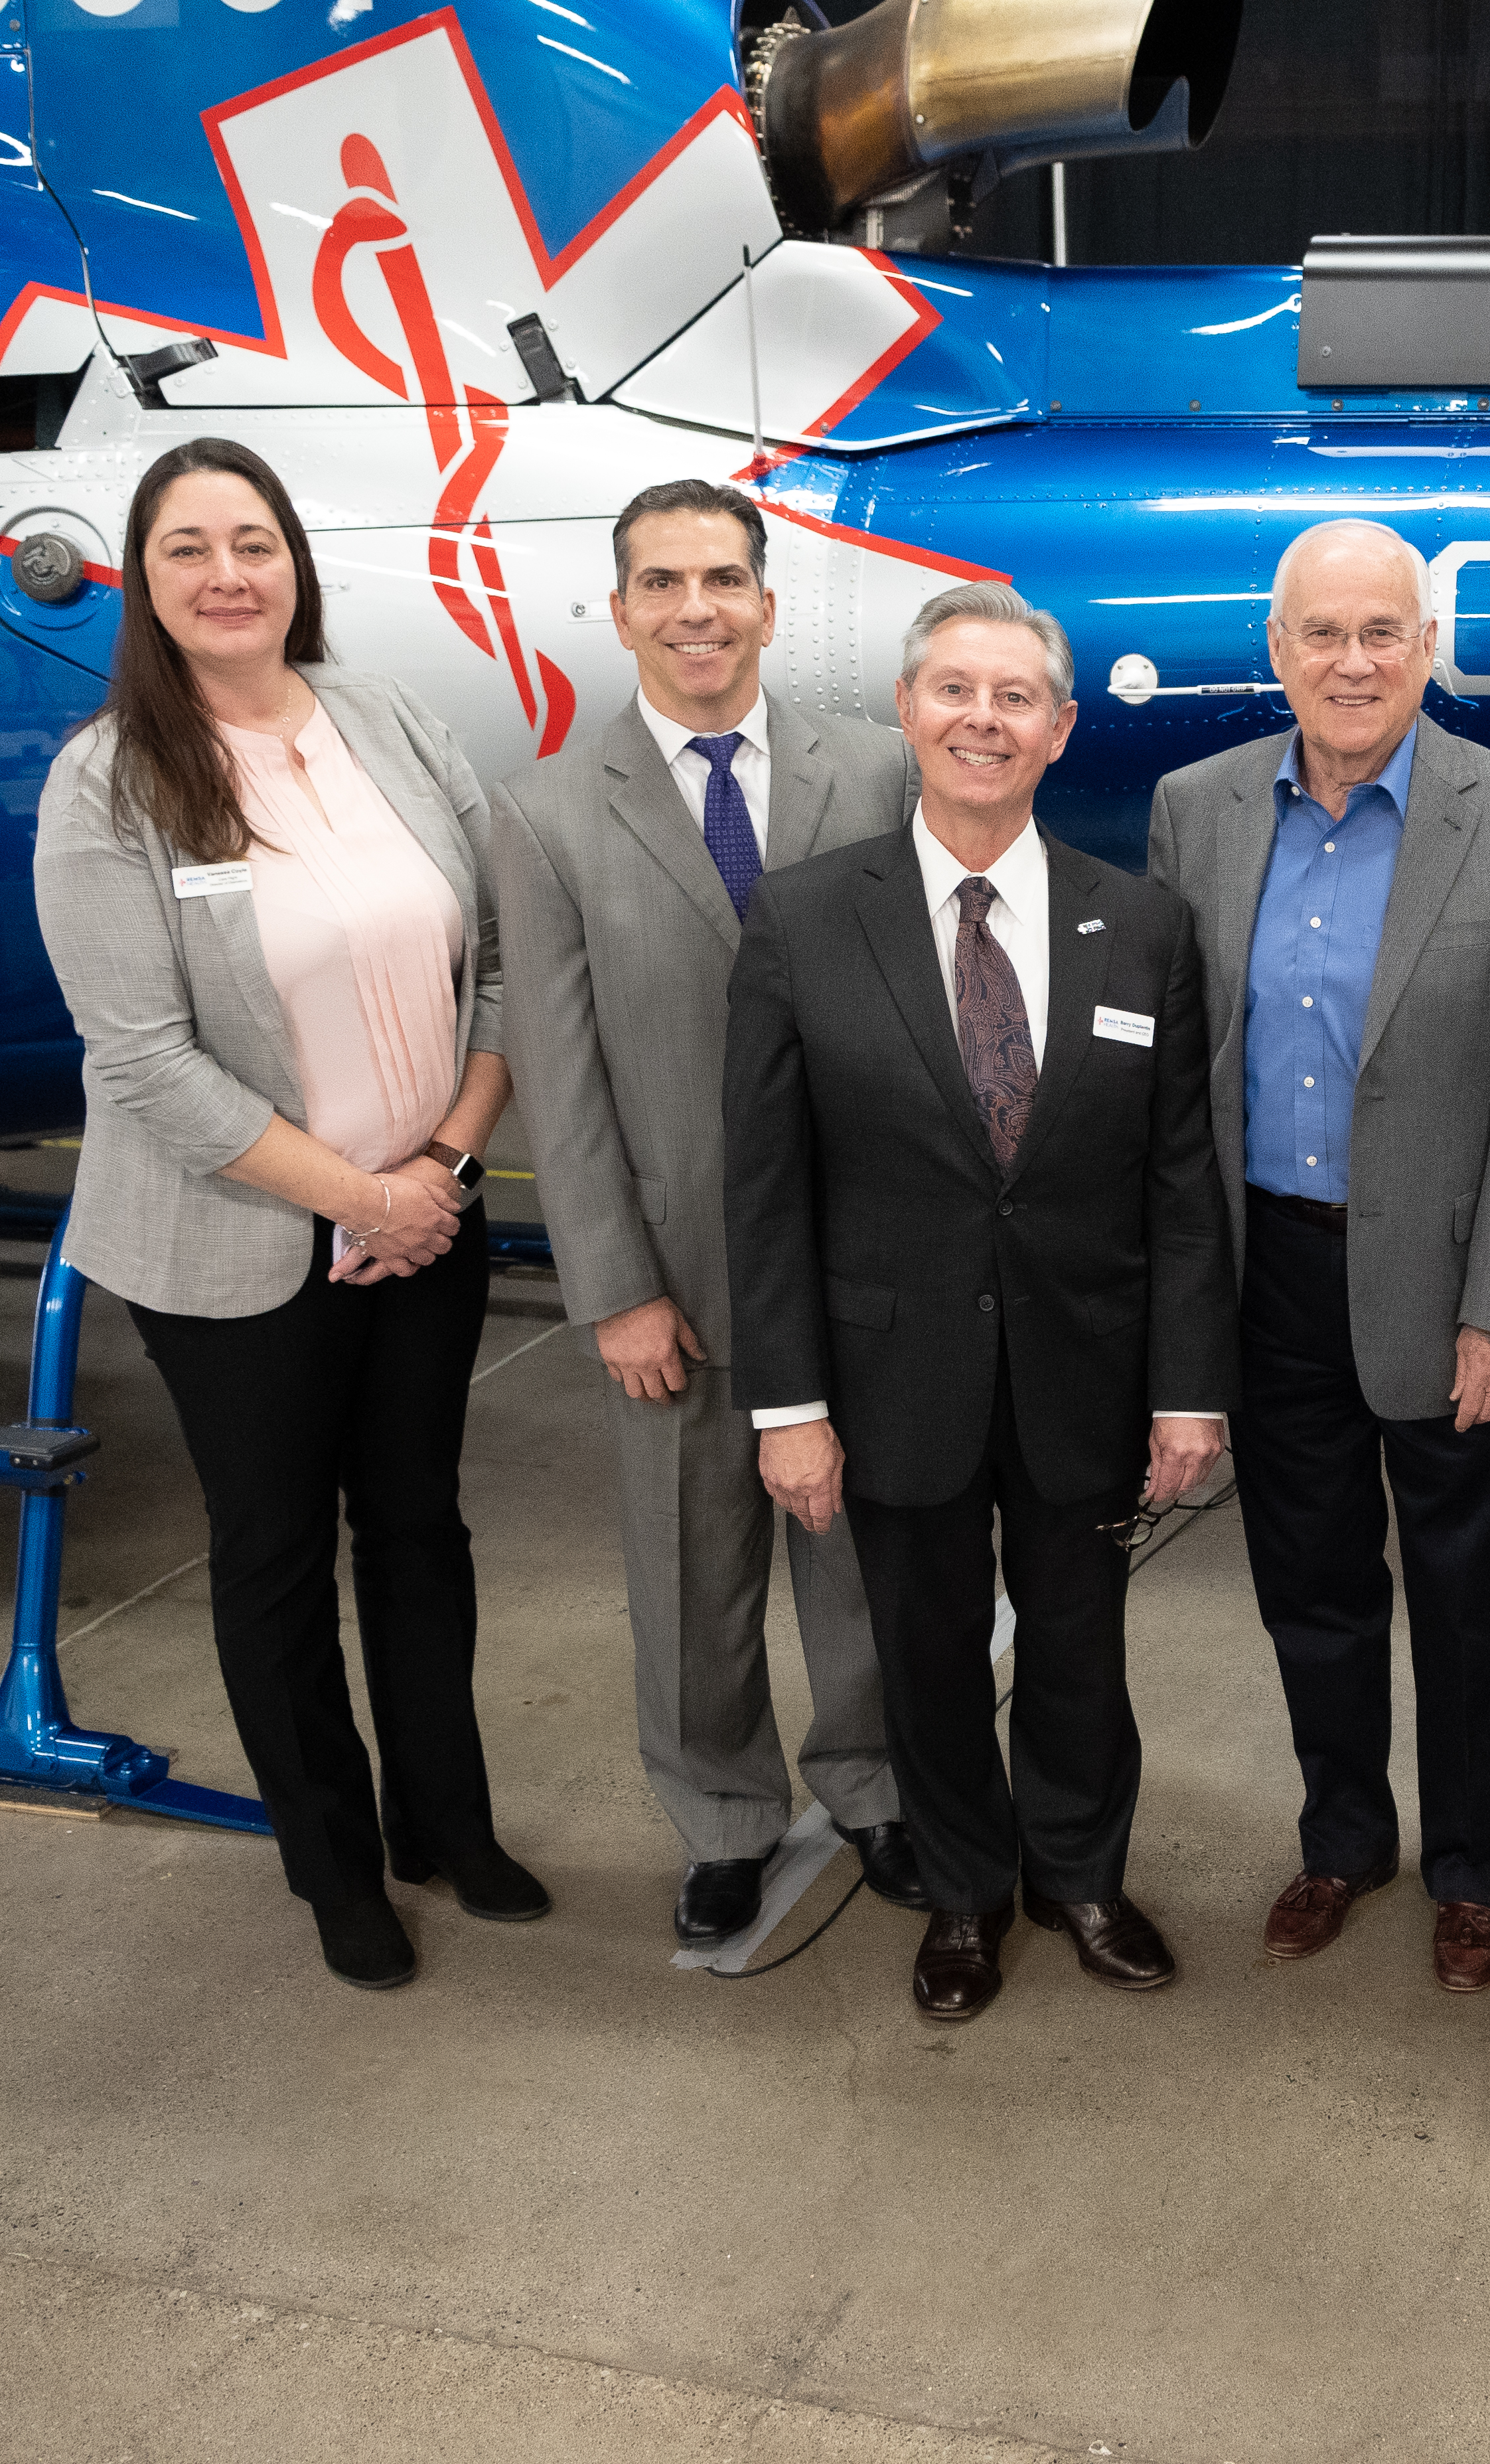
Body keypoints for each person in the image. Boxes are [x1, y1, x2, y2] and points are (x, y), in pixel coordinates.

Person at [33, 436, 540, 1991]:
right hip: (236, 1243)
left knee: (418, 1528)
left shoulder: (388, 721)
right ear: (147, 580)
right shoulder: (108, 778)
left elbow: (502, 964)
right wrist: (360, 1193)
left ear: (295, 561)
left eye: (252, 540)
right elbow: (140, 1062)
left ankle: (444, 1820)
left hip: (426, 1219)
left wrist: (442, 1169)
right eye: (189, 548)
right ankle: (333, 1867)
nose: (228, 573)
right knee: (272, 1556)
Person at [721, 581, 1235, 2023]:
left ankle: (1079, 1871)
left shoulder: (1143, 927)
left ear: (1062, 728)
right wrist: (791, 1405)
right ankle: (963, 1890)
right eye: (956, 690)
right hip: (894, 1377)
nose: (983, 720)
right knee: (928, 1651)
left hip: (1087, 1367)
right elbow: (764, 1186)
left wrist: (1190, 1389)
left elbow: (1181, 1185)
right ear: (908, 709)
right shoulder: (809, 918)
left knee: (1081, 1643)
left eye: (1016, 698)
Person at [1144, 519, 1490, 1994]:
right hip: (1269, 1263)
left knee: (1470, 1595)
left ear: (1426, 646)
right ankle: (1345, 1836)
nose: (1352, 662)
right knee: (1311, 1581)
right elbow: (1178, 1080)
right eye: (1321, 634)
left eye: (1381, 633)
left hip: (1448, 1279)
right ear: (1278, 650)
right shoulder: (1193, 807)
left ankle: (1478, 1865)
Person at [489, 479, 927, 1953]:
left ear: (767, 602)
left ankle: (874, 1786)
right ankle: (722, 1819)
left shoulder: (874, 773)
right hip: (673, 1275)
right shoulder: (548, 811)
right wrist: (612, 1285)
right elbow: (559, 1075)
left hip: (861, 1269)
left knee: (863, 1559)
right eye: (663, 582)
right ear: (617, 612)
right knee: (691, 1577)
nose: (697, 608)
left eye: (724, 579)